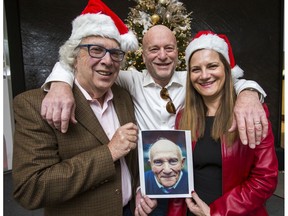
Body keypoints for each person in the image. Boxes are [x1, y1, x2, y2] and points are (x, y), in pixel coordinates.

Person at [40, 25, 269, 215]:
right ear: (142, 55)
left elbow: (224, 78)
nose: (162, 55)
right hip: (149, 188)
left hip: (190, 191)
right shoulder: (130, 80)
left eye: (169, 48)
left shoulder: (192, 80)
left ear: (178, 53)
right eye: (153, 49)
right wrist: (60, 83)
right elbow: (91, 67)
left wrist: (248, 93)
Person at [12, 0, 139, 215]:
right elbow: (31, 188)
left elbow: (130, 163)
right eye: (96, 50)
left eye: (115, 53)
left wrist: (138, 190)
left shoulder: (123, 96)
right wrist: (109, 153)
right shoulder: (34, 105)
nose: (108, 61)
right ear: (74, 56)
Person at [167, 31, 278, 216]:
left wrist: (215, 213)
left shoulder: (250, 113)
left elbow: (265, 179)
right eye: (196, 69)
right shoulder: (183, 116)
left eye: (212, 66)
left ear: (226, 69)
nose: (204, 75)